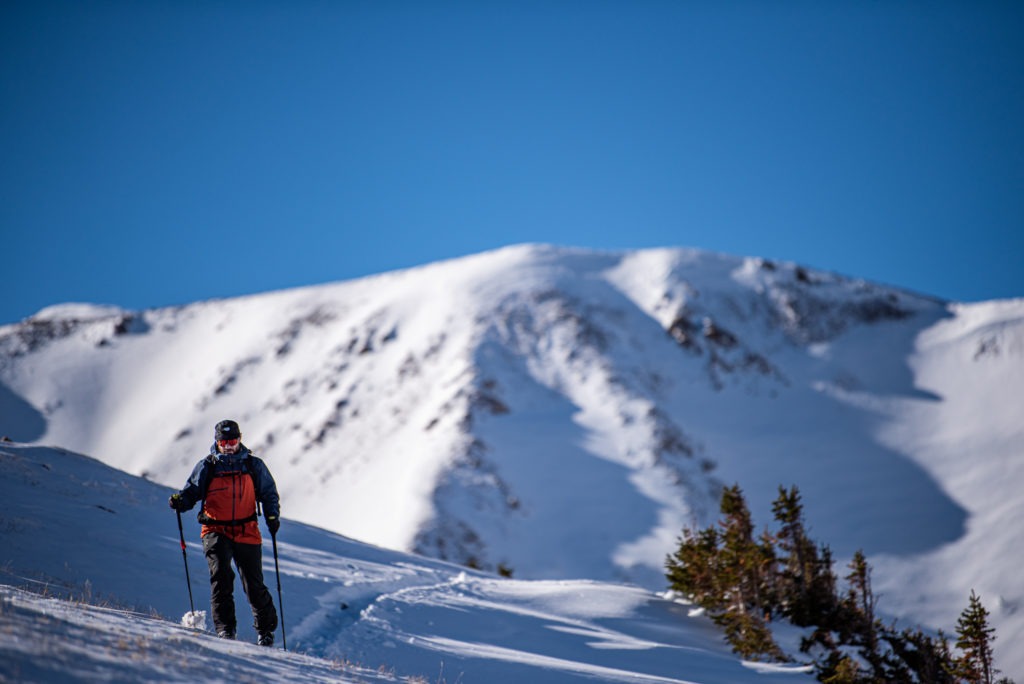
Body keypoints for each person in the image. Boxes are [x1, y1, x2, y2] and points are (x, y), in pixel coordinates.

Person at [169, 419, 281, 646]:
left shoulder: (253, 465)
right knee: (220, 577)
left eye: (232, 441)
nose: (228, 446)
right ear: (217, 442)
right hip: (215, 529)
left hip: (247, 529)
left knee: (253, 583)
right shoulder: (207, 466)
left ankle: (265, 631)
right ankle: (225, 631)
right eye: (224, 442)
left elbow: (269, 493)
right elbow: (192, 491)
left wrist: (272, 516)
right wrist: (181, 501)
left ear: (239, 439)